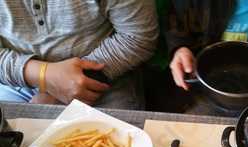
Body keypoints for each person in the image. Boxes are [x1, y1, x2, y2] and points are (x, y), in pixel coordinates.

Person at [0, 0, 158, 109]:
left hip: (102, 75)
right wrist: (43, 76)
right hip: (14, 80)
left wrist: (64, 86)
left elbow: (138, 37)